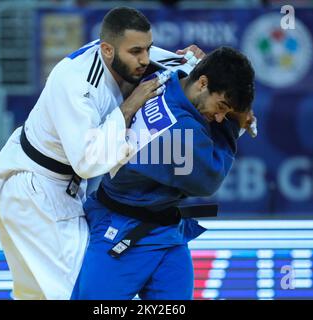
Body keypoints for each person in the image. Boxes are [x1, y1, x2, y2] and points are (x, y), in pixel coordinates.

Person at [0, 7, 204, 300]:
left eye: (147, 48)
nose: (145, 59)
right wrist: (128, 107)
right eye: (136, 51)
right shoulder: (76, 83)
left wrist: (193, 63)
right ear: (107, 50)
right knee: (78, 294)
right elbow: (87, 162)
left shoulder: (121, 55)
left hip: (53, 188)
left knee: (36, 296)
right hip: (35, 191)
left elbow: (168, 63)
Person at [71, 46, 256, 300]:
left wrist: (197, 64)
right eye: (222, 106)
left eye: (227, 111)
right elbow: (210, 179)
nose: (221, 116)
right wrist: (235, 125)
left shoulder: (168, 75)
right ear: (203, 83)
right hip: (122, 232)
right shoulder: (180, 130)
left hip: (165, 229)